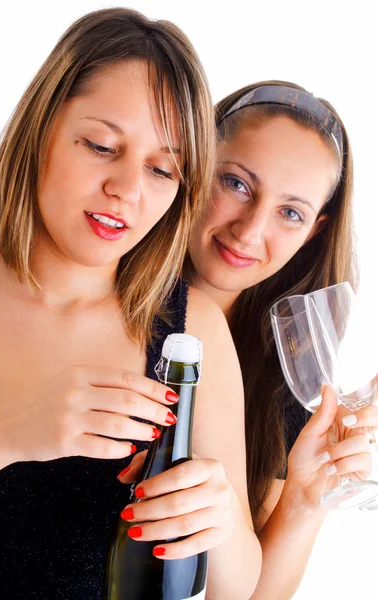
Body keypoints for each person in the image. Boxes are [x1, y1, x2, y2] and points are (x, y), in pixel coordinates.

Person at [0, 8, 262, 599]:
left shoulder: (191, 333)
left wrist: (221, 517)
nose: (128, 189)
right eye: (103, 146)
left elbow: (236, 589)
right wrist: (8, 432)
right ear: (41, 128)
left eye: (163, 169)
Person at [123, 80, 377, 598]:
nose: (249, 230)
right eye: (236, 183)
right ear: (194, 162)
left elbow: (246, 596)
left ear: (314, 231)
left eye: (290, 213)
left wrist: (308, 497)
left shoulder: (285, 376)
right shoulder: (96, 294)